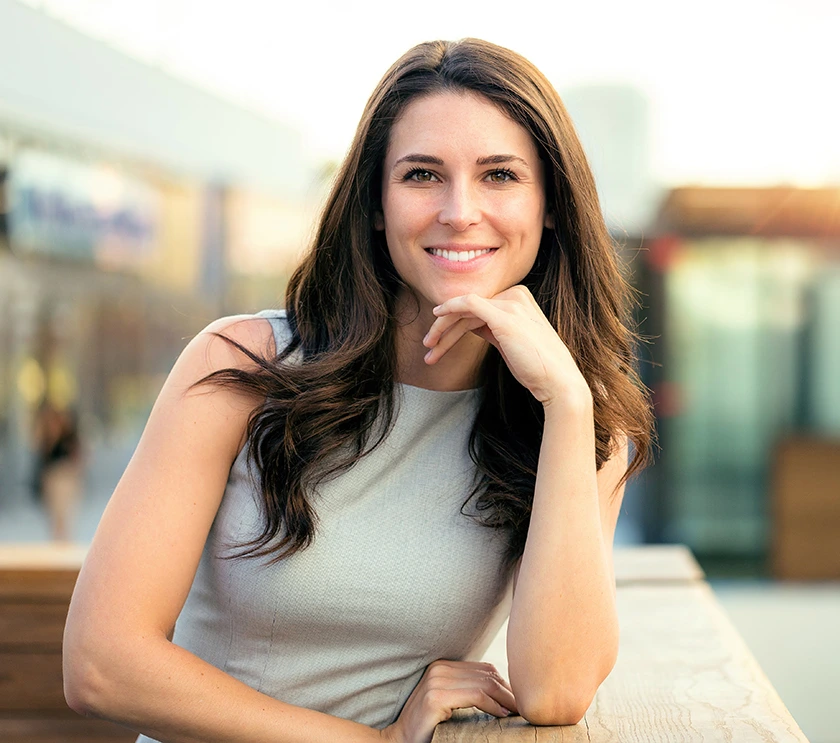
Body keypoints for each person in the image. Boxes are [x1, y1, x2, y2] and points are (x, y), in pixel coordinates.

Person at [63, 38, 654, 743]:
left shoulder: (580, 423)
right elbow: (100, 663)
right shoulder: (244, 365)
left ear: (550, 204)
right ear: (375, 204)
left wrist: (565, 400)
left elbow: (556, 688)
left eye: (499, 175)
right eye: (421, 175)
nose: (459, 210)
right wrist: (369, 742)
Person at [32, 398, 83, 542]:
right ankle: (58, 540)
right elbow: (41, 454)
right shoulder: (47, 435)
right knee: (54, 513)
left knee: (66, 512)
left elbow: (78, 454)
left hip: (66, 474)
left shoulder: (70, 434)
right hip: (52, 475)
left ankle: (64, 540)